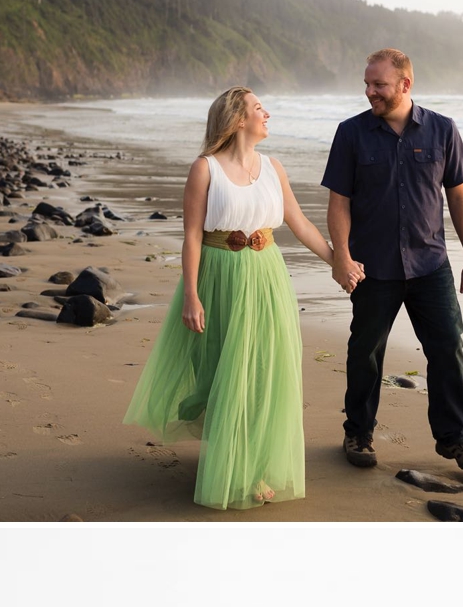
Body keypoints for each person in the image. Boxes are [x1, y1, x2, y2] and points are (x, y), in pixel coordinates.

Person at [124, 88, 344, 509]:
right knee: (222, 368)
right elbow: (190, 237)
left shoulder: (273, 167)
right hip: (219, 275)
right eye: (259, 108)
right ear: (237, 118)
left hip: (267, 276)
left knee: (264, 369)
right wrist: (190, 294)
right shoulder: (204, 169)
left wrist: (337, 262)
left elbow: (298, 222)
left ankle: (253, 468)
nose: (268, 114)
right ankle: (229, 449)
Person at [322, 49, 463, 474]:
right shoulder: (351, 133)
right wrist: (341, 256)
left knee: (448, 347)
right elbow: (338, 202)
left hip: (430, 265)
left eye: (378, 84)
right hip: (372, 267)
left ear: (404, 85)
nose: (369, 92)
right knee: (366, 353)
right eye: (366, 84)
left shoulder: (442, 130)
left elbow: (458, 196)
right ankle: (358, 432)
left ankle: (453, 438)